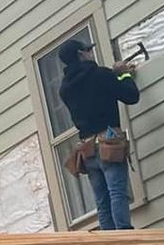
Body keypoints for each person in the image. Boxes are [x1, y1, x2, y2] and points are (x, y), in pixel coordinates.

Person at [57, 36, 141, 230]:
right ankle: (124, 234)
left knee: (102, 200)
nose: (90, 53)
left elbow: (90, 92)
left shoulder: (65, 89)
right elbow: (131, 96)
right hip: (108, 140)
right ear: (81, 54)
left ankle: (109, 238)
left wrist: (112, 76)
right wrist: (123, 75)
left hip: (86, 148)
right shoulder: (100, 75)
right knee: (117, 192)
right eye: (88, 50)